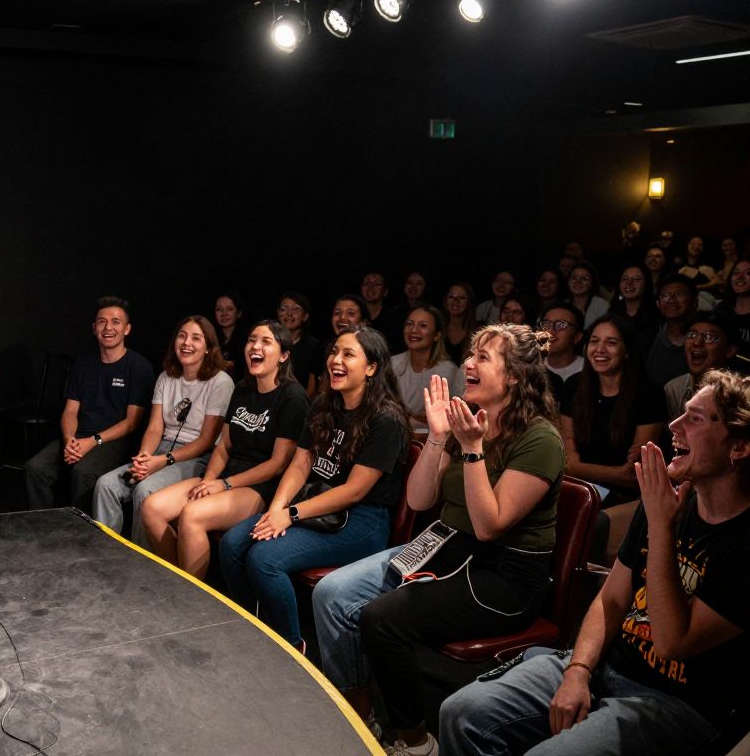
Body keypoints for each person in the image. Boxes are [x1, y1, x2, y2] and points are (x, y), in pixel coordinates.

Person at [441, 369, 750, 756]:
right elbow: (610, 600)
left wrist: (660, 529)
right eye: (682, 412)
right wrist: (578, 671)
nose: (674, 425)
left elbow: (672, 642)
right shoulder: (665, 502)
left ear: (738, 447)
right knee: (461, 712)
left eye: (696, 418)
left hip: (677, 703)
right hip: (606, 666)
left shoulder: (739, 542)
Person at [312, 324, 564, 756]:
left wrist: (471, 449)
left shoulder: (540, 439)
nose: (468, 363)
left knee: (381, 618)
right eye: (470, 354)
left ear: (515, 377)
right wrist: (438, 438)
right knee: (330, 593)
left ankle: (416, 741)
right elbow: (419, 497)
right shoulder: (464, 417)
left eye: (483, 358)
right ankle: (359, 712)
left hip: (504, 574)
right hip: (448, 544)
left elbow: (490, 526)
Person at [219, 326, 407, 650]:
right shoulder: (323, 404)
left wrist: (289, 515)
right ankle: (251, 626)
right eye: (334, 351)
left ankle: (290, 647)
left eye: (348, 354)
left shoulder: (385, 419)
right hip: (314, 504)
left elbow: (354, 491)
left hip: (361, 519)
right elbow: (299, 465)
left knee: (264, 558)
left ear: (372, 367)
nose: (336, 359)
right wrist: (277, 509)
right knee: (233, 543)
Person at [141, 320, 310, 578]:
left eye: (266, 341)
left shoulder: (293, 397)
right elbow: (224, 446)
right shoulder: (242, 388)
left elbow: (277, 464)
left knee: (191, 515)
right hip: (226, 478)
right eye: (252, 340)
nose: (256, 346)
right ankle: (177, 582)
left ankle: (193, 598)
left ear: (284, 355)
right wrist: (208, 481)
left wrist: (226, 484)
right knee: (152, 508)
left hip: (260, 488)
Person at [92, 316, 234, 548]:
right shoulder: (166, 377)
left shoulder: (220, 382)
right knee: (106, 485)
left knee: (145, 491)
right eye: (182, 336)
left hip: (197, 457)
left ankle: (140, 560)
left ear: (208, 347)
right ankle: (106, 551)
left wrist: (161, 461)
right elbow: (155, 427)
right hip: (161, 449)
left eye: (196, 338)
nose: (187, 343)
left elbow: (207, 440)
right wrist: (145, 458)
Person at [23, 296, 154, 512]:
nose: (108, 327)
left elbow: (131, 423)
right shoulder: (83, 364)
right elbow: (70, 411)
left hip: (115, 441)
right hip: (79, 436)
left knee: (83, 472)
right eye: (102, 322)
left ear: (127, 329)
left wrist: (93, 442)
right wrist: (69, 440)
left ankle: (82, 536)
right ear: (94, 328)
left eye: (115, 322)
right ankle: (42, 528)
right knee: (34, 468)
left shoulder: (139, 367)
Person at [561, 315, 665, 505]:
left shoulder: (649, 394)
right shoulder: (573, 386)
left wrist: (578, 467)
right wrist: (616, 473)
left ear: (627, 351)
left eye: (611, 342)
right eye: (594, 341)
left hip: (626, 498)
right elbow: (566, 464)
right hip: (578, 488)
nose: (600, 349)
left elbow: (634, 477)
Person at [391, 305, 464, 435]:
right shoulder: (392, 363)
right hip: (395, 432)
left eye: (423, 325)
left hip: (431, 439)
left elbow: (442, 415)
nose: (413, 330)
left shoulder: (446, 369)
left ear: (436, 335)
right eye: (409, 324)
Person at [663, 311, 737, 421]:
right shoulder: (674, 389)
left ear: (729, 350)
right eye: (692, 335)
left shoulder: (741, 393)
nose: (697, 342)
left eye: (709, 337)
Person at [645, 273, 698, 386]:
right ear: (658, 303)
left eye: (679, 294)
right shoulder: (648, 338)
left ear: (695, 301)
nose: (671, 300)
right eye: (665, 295)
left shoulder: (703, 339)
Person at [538, 302, 585, 404]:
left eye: (560, 325)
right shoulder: (531, 367)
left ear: (577, 337)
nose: (551, 331)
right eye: (546, 324)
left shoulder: (588, 370)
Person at [277, 291, 321, 396]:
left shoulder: (314, 346)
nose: (289, 313)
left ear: (305, 316)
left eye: (296, 309)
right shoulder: (269, 343)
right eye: (284, 308)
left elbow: (312, 389)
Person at [213, 292, 248, 381]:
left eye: (229, 309)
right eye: (219, 309)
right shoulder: (209, 338)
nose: (224, 313)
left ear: (239, 313)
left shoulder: (248, 340)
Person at [441, 281, 478, 366]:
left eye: (461, 298)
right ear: (446, 301)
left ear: (469, 303)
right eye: (451, 297)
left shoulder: (477, 332)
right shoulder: (438, 327)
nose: (455, 301)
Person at [566, 261, 610, 329]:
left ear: (592, 283)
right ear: (568, 281)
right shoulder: (563, 305)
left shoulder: (602, 305)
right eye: (574, 278)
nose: (578, 282)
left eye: (584, 278)